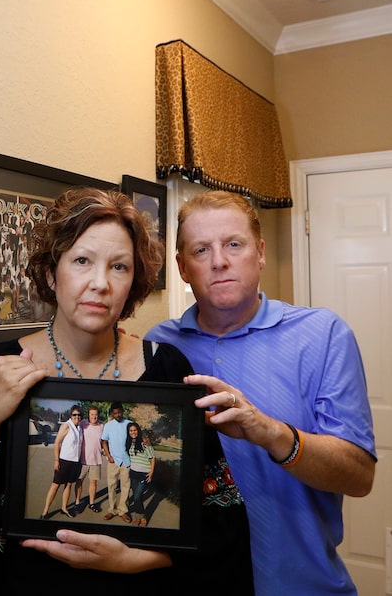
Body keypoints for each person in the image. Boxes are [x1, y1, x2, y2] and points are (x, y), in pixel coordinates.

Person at [0, 187, 254, 594]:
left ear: (133, 282)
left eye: (119, 267)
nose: (101, 284)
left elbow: (220, 519)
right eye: (82, 261)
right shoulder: (1, 366)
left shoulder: (167, 367)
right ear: (51, 272)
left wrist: (133, 560)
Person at [146, 190, 375, 595]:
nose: (219, 261)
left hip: (304, 584)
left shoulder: (322, 335)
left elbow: (359, 476)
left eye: (234, 244)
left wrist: (269, 431)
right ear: (182, 267)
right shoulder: (159, 348)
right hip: (196, 582)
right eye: (201, 250)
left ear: (261, 253)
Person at [40, 405, 83, 519]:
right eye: (74, 415)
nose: (77, 417)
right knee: (55, 485)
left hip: (75, 462)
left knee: (68, 485)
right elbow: (57, 442)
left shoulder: (79, 428)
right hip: (64, 461)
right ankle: (45, 511)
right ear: (71, 415)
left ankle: (64, 508)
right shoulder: (66, 426)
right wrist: (56, 460)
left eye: (79, 415)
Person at [100, 402, 132, 523]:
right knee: (112, 486)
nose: (117, 415)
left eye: (119, 412)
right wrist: (109, 456)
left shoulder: (129, 423)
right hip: (113, 461)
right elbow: (104, 442)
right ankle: (112, 510)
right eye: (115, 413)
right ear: (112, 414)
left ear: (123, 411)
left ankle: (123, 511)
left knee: (125, 487)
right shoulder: (108, 425)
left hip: (126, 461)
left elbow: (135, 438)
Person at [75, 405, 104, 513]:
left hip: (96, 460)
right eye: (92, 414)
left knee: (93, 484)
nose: (94, 416)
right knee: (79, 482)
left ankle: (91, 503)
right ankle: (77, 503)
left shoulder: (102, 426)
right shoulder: (82, 424)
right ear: (88, 415)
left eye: (96, 414)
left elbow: (105, 441)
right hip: (82, 460)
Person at [124, 422, 154, 527]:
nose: (133, 432)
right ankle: (138, 518)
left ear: (138, 430)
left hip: (144, 474)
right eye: (131, 430)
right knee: (138, 497)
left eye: (135, 430)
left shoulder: (144, 442)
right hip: (133, 473)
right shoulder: (129, 443)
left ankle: (143, 517)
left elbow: (152, 458)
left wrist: (151, 472)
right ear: (128, 432)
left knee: (136, 497)